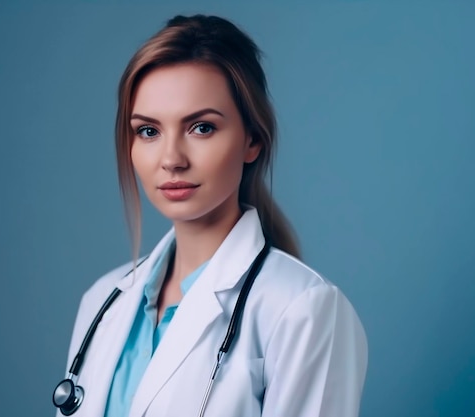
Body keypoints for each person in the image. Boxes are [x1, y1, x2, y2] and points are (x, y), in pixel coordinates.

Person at [55, 14, 368, 417]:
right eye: (148, 131)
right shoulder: (102, 301)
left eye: (201, 127)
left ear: (252, 140)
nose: (171, 160)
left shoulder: (303, 310)